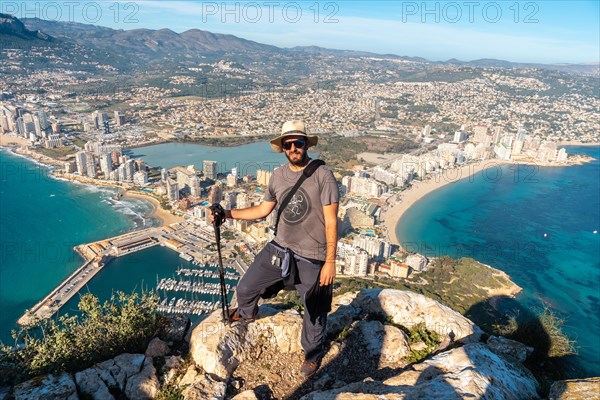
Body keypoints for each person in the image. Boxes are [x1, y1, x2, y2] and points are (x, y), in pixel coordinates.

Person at [211, 120, 339, 378]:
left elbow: (332, 220)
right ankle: (246, 315)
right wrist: (226, 213)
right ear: (282, 148)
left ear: (306, 145)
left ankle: (312, 355)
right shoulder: (278, 176)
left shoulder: (323, 175)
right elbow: (262, 209)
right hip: (280, 248)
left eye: (298, 143)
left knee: (314, 312)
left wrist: (330, 262)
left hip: (312, 256)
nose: (293, 148)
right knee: (246, 288)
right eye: (288, 144)